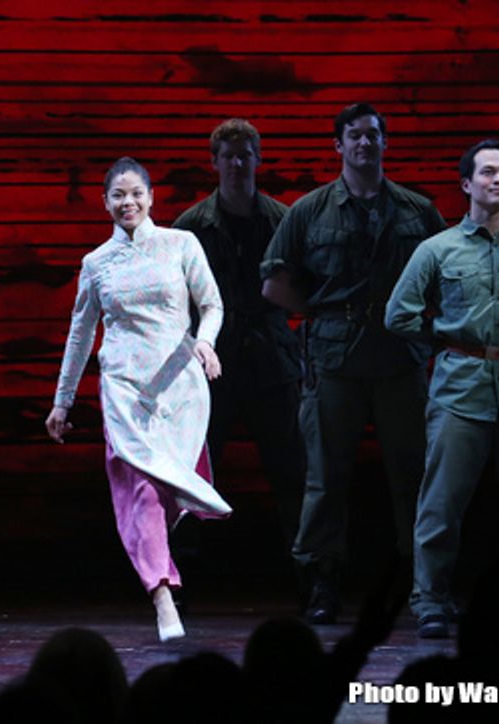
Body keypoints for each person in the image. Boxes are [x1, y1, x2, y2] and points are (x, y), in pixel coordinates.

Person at [261, 103, 446, 623]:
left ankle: (424, 582)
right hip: (334, 358)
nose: (365, 144)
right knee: (325, 476)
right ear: (338, 146)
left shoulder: (416, 210)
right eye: (354, 137)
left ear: (386, 144)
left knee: (414, 473)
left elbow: (446, 277)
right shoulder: (310, 211)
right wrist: (323, 315)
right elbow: (275, 283)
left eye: (373, 135)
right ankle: (321, 582)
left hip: (399, 356)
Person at [46, 157, 229, 642]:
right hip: (125, 390)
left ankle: (161, 569)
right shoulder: (96, 264)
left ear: (151, 197)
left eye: (135, 193)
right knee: (140, 494)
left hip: (177, 387)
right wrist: (63, 401)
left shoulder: (180, 244)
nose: (127, 202)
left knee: (166, 495)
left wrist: (206, 341)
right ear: (105, 203)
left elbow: (211, 303)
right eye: (117, 195)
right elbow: (80, 334)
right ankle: (163, 598)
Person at [385, 139, 499, 639]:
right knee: (441, 506)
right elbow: (398, 314)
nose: (498, 180)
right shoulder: (437, 250)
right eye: (487, 173)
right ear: (467, 184)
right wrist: (446, 335)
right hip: (459, 391)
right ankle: (431, 601)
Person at [171, 119, 304, 575]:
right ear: (214, 163)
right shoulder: (190, 228)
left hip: (273, 362)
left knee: (292, 473)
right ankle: (181, 574)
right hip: (212, 367)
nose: (236, 164)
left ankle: (311, 578)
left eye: (244, 154)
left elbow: (307, 284)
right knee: (194, 472)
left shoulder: (283, 219)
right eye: (227, 156)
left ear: (257, 159)